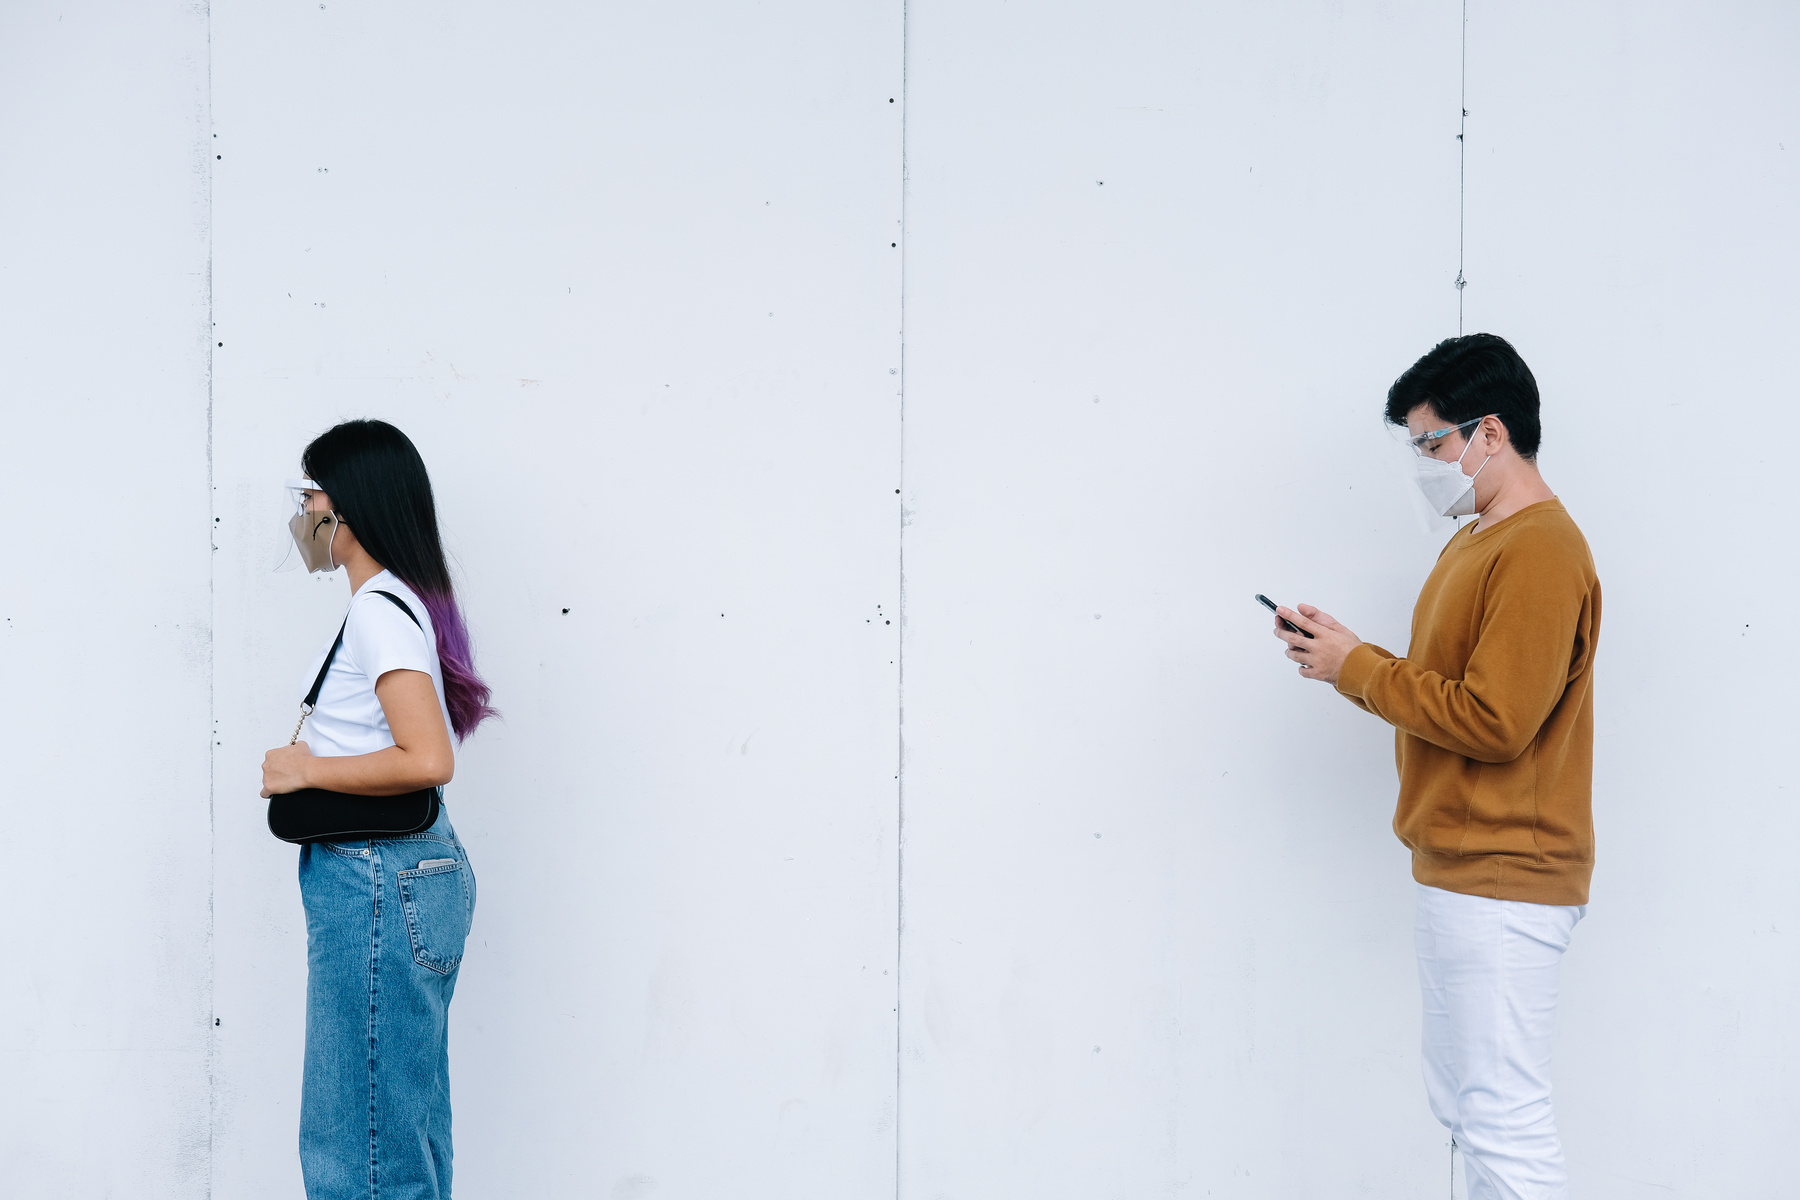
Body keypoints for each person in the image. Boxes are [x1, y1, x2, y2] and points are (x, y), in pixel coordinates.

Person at [1270, 334, 1600, 1199]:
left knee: (1504, 1124)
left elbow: (1496, 723)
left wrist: (1358, 667)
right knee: (1469, 1113)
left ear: (1490, 433)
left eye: (1431, 443)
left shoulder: (1538, 549)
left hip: (1505, 878)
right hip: (1462, 872)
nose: (1424, 463)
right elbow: (1449, 692)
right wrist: (1346, 659)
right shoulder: (1479, 539)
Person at [260, 419, 496, 1199]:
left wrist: (305, 771)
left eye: (312, 495)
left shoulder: (377, 611)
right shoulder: (401, 602)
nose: (304, 514)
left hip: (374, 879)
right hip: (399, 878)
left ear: (347, 506)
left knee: (360, 1148)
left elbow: (428, 760)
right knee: (400, 1128)